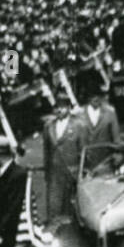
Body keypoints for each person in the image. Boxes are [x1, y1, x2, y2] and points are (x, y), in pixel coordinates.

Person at [41, 91, 85, 224]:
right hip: (55, 173)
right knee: (54, 210)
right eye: (57, 107)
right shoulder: (48, 126)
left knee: (74, 212)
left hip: (73, 172)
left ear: (69, 108)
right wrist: (47, 172)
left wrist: (83, 172)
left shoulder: (79, 125)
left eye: (63, 107)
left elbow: (83, 151)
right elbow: (46, 152)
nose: (60, 110)